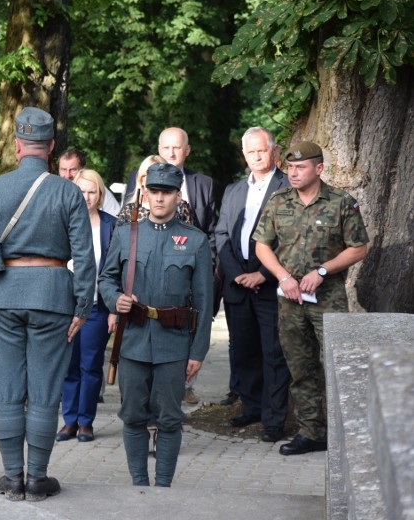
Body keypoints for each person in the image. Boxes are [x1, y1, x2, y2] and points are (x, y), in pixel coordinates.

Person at [0, 107, 95, 502]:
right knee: (44, 388)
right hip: (53, 296)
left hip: (3, 295)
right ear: (51, 148)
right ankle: (37, 478)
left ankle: (12, 479)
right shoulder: (68, 191)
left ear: (18, 145)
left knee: (6, 387)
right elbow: (85, 257)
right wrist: (81, 308)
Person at [99, 162, 213, 487]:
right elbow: (106, 278)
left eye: (167, 192)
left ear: (178, 196)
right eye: (155, 191)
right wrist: (114, 298)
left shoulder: (195, 241)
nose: (160, 198)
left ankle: (163, 488)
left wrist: (198, 351)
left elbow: (204, 302)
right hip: (133, 341)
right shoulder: (126, 235)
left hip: (174, 344)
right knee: (133, 416)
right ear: (145, 194)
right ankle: (139, 484)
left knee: (170, 419)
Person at [253, 141, 368, 456]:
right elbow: (261, 245)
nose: (293, 172)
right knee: (301, 368)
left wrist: (322, 271)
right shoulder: (278, 202)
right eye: (290, 167)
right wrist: (283, 276)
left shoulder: (341, 203)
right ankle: (312, 432)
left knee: (336, 364)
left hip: (328, 298)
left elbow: (359, 247)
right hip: (289, 300)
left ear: (318, 169)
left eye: (300, 167)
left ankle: (348, 434)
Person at [214, 127, 291, 442]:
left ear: (273, 151)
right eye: (250, 152)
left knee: (273, 353)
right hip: (237, 284)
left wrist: (263, 273)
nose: (256, 156)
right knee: (243, 351)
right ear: (243, 154)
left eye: (261, 150)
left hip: (269, 284)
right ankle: (252, 407)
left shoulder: (287, 187)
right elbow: (221, 234)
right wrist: (235, 273)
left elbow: (290, 238)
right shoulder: (233, 190)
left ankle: (274, 420)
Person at [56, 169, 116, 443]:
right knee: (68, 366)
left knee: (90, 366)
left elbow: (117, 270)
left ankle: (85, 422)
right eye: (82, 191)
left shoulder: (111, 226)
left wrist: (115, 308)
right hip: (66, 307)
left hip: (97, 307)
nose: (87, 197)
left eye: (92, 191)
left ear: (100, 195)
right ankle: (68, 421)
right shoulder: (61, 223)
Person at [57, 148, 121, 215]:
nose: (67, 175)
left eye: (73, 169)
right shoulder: (53, 192)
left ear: (83, 169)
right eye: (63, 169)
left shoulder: (97, 189)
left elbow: (117, 219)